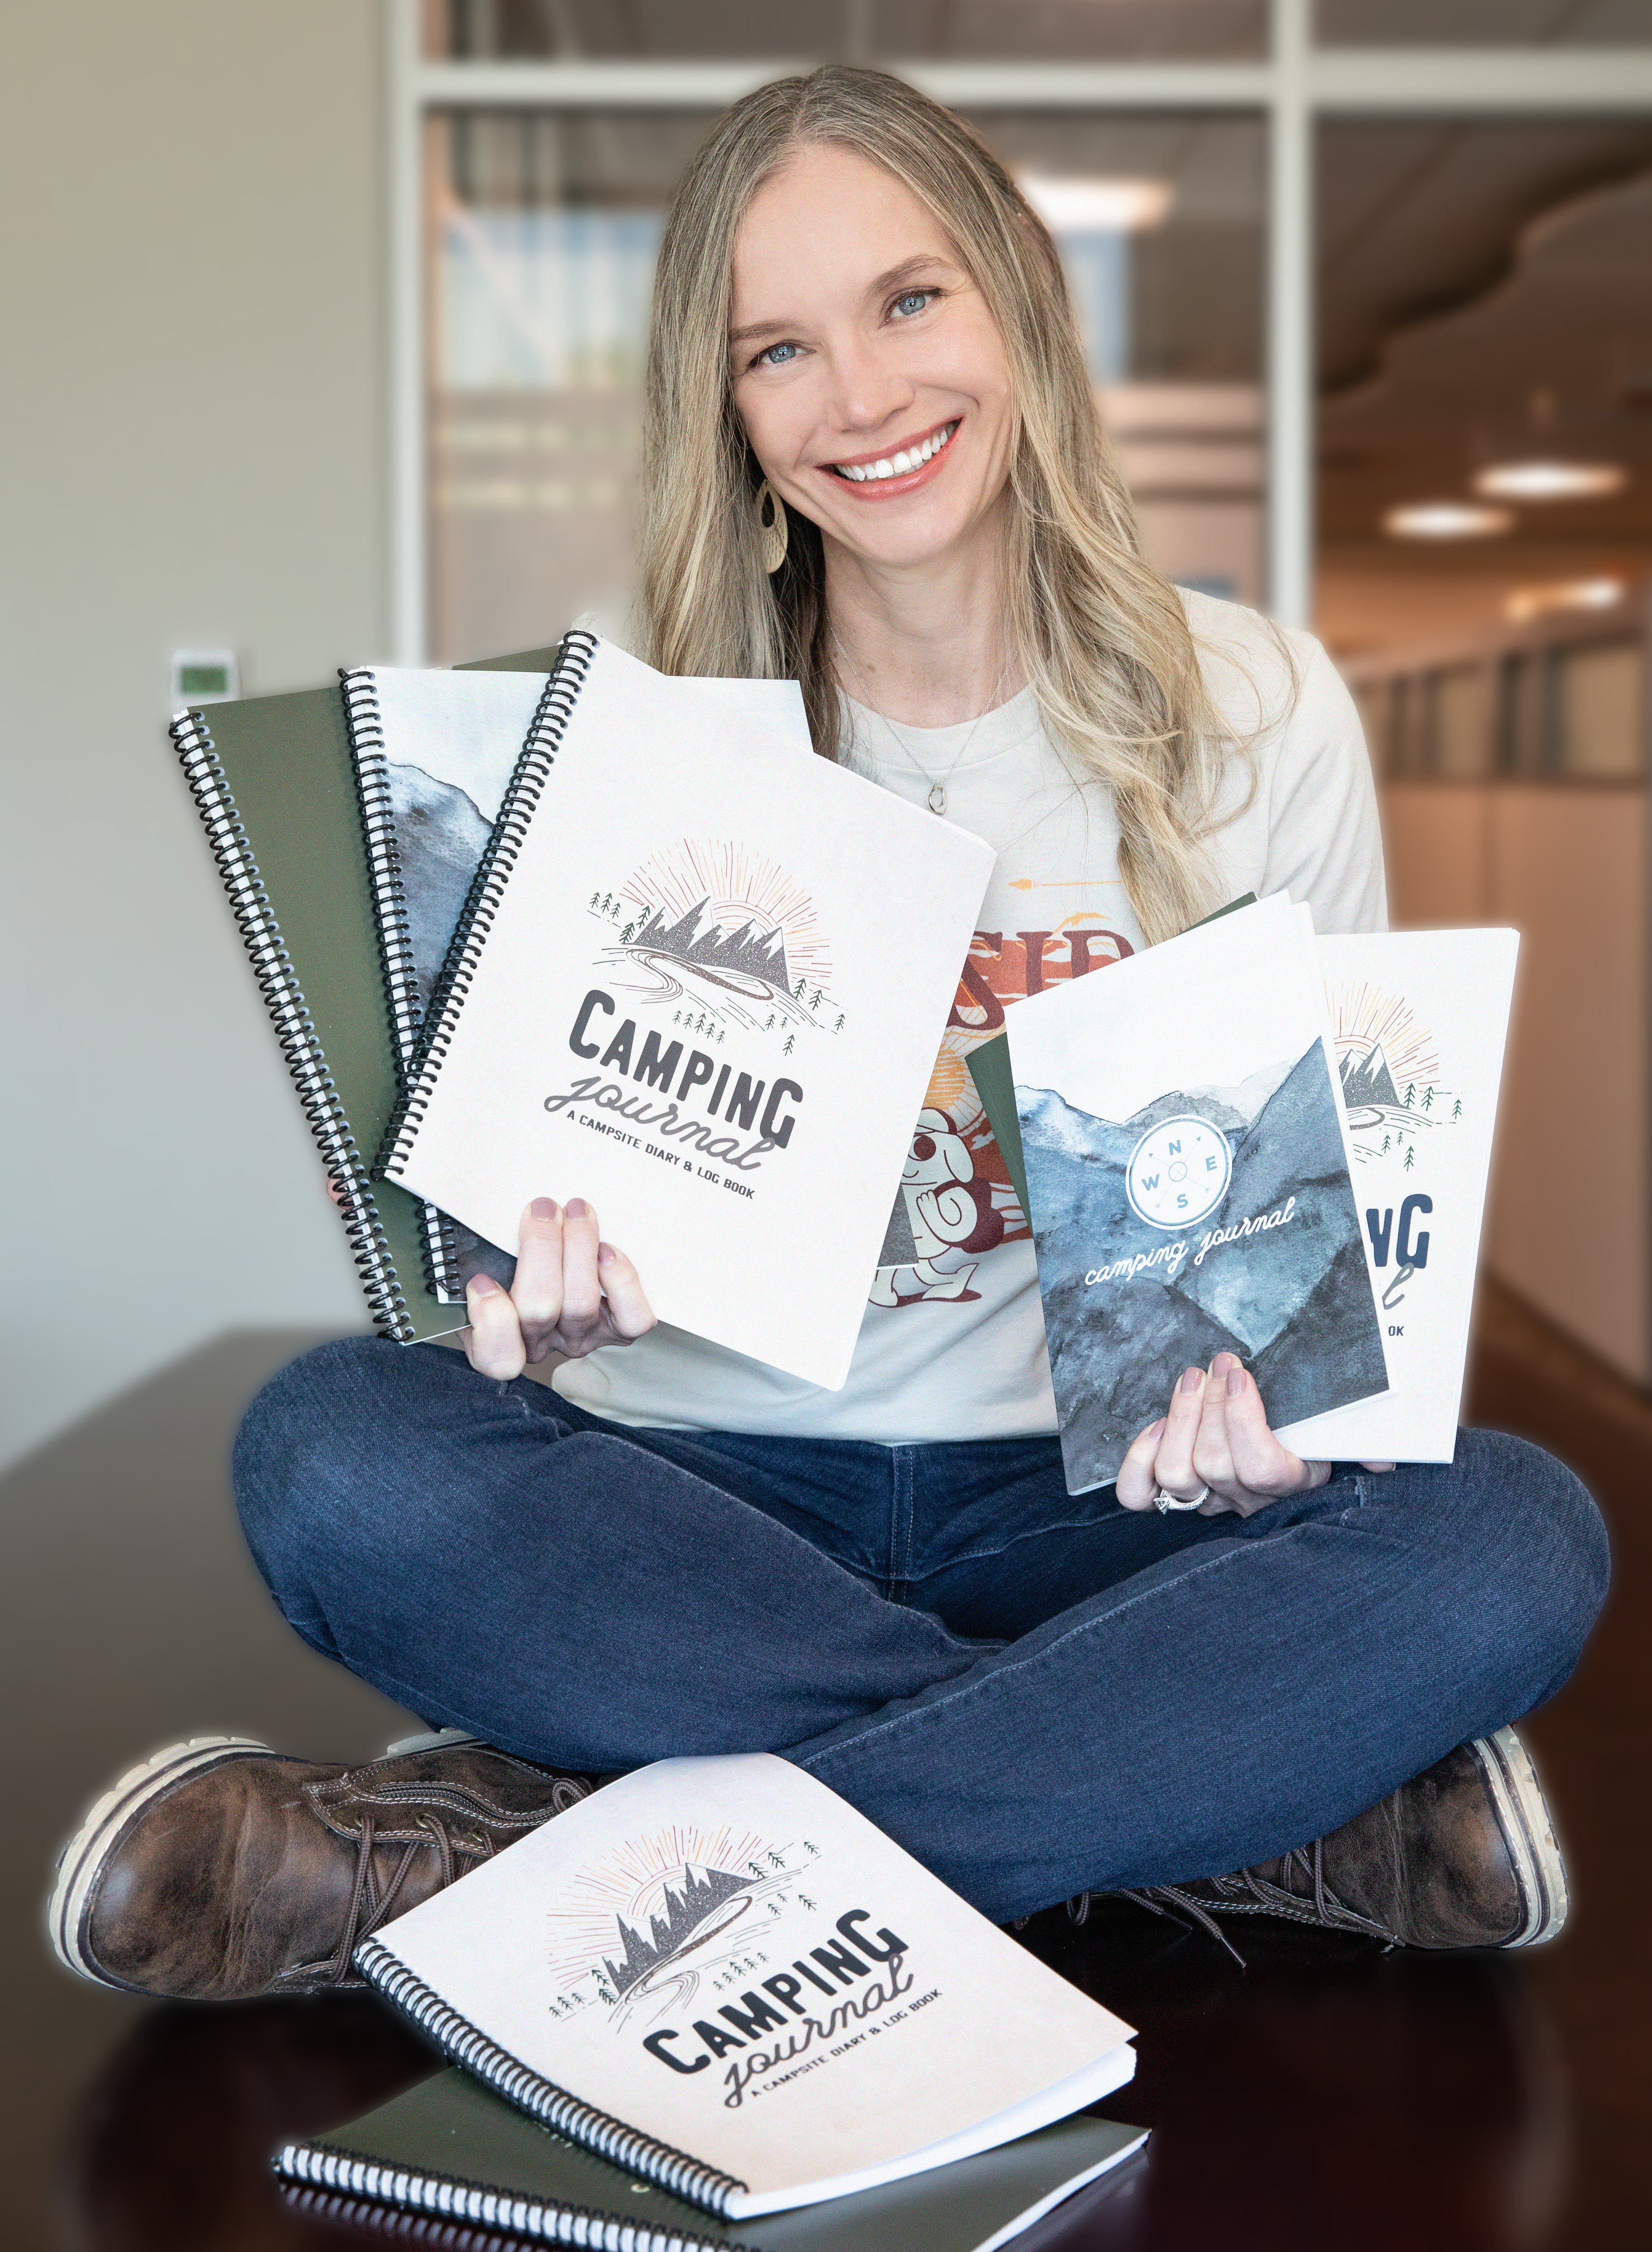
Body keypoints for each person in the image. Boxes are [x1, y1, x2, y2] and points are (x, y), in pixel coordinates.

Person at [51, 68, 1606, 2003]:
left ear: (1018, 295)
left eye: (906, 302)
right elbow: (521, 1234)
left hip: (1091, 1509)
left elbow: (1332, 1261)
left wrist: (1279, 1418)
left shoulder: (1256, 711)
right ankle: (1229, 1810)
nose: (860, 400)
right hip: (699, 1502)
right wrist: (540, 1300)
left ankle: (526, 1848)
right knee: (331, 1455)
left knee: (1513, 1538)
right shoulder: (625, 742)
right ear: (725, 408)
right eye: (776, 348)